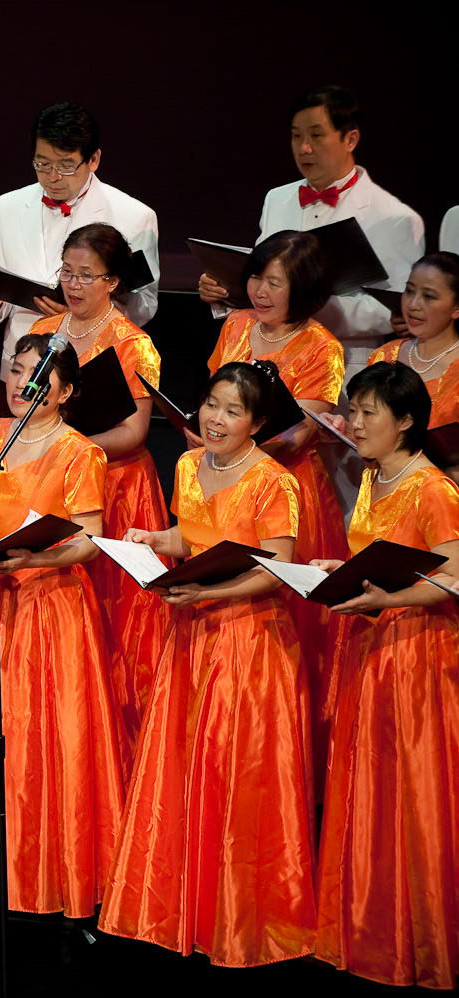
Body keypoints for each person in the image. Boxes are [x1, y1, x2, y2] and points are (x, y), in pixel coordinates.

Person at [100, 361, 315, 967]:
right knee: (186, 762)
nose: (216, 420)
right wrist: (153, 540)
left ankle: (242, 913)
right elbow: (189, 536)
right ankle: (182, 904)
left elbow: (275, 570)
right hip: (192, 635)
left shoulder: (275, 482)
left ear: (258, 423)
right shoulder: (189, 464)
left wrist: (208, 594)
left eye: (232, 411)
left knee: (236, 771)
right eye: (211, 405)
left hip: (248, 643)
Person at [0, 333, 124, 917]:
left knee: (48, 729)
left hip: (52, 605)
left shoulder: (80, 452)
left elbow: (90, 541)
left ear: (65, 392)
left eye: (40, 376)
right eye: (19, 371)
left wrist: (32, 559)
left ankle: (53, 866)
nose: (25, 384)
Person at [312, 363, 459, 989]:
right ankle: (371, 924)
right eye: (353, 410)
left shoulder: (434, 490)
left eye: (368, 413)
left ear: (405, 422)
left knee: (412, 790)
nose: (354, 423)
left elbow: (454, 578)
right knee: (369, 785)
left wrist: (389, 600)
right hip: (370, 644)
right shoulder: (375, 476)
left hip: (418, 653)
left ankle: (422, 937)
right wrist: (337, 570)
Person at [25, 223, 169, 750]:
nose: (73, 284)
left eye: (86, 275)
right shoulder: (46, 332)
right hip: (51, 480)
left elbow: (134, 431)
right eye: (67, 272)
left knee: (120, 616)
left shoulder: (134, 343)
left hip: (118, 485)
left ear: (112, 282)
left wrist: (71, 446)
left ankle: (124, 742)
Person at [204, 231, 347, 736]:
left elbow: (298, 435)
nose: (260, 291)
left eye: (275, 282)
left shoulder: (322, 347)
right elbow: (216, 398)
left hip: (285, 489)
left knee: (282, 620)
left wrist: (227, 446)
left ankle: (281, 738)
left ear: (303, 288)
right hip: (221, 482)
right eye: (256, 278)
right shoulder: (236, 324)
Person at [197, 86, 422, 370]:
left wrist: (297, 303)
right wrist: (224, 289)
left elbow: (398, 310)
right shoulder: (277, 198)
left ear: (350, 139)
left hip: (344, 361)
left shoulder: (394, 217)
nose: (304, 148)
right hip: (268, 356)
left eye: (316, 136)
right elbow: (264, 272)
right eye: (296, 136)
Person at [0, 102, 159, 368]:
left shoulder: (134, 216)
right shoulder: (7, 206)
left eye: (66, 165)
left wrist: (81, 313)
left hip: (88, 359)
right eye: (42, 163)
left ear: (93, 159)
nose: (53, 176)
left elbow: (145, 304)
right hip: (19, 358)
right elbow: (4, 285)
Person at [364, 253, 459, 474]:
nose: (413, 305)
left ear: (457, 308)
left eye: (429, 296)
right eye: (409, 291)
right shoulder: (383, 356)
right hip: (380, 486)